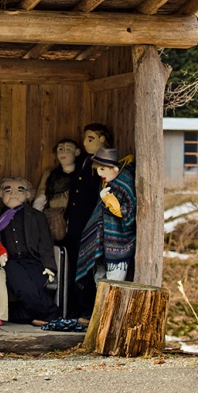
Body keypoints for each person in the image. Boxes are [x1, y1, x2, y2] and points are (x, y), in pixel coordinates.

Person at [0, 177, 61, 326]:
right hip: (10, 261)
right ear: (1, 194)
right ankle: (53, 314)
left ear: (28, 195)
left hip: (34, 260)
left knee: (35, 286)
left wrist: (50, 266)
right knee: (24, 287)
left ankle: (19, 315)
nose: (13, 194)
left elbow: (46, 242)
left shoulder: (37, 216)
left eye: (20, 190)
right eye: (8, 190)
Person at [66, 123, 114, 319]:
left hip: (91, 223)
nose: (86, 142)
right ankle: (73, 308)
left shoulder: (104, 165)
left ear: (102, 140)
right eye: (85, 138)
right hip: (75, 221)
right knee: (73, 265)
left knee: (87, 268)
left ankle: (88, 310)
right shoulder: (83, 161)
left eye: (91, 139)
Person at [76, 148, 136, 284]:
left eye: (103, 169)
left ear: (114, 168)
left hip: (119, 243)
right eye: (98, 169)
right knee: (100, 281)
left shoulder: (123, 183)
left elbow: (129, 214)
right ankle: (101, 305)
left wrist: (109, 200)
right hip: (103, 244)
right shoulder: (107, 183)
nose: (99, 173)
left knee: (113, 285)